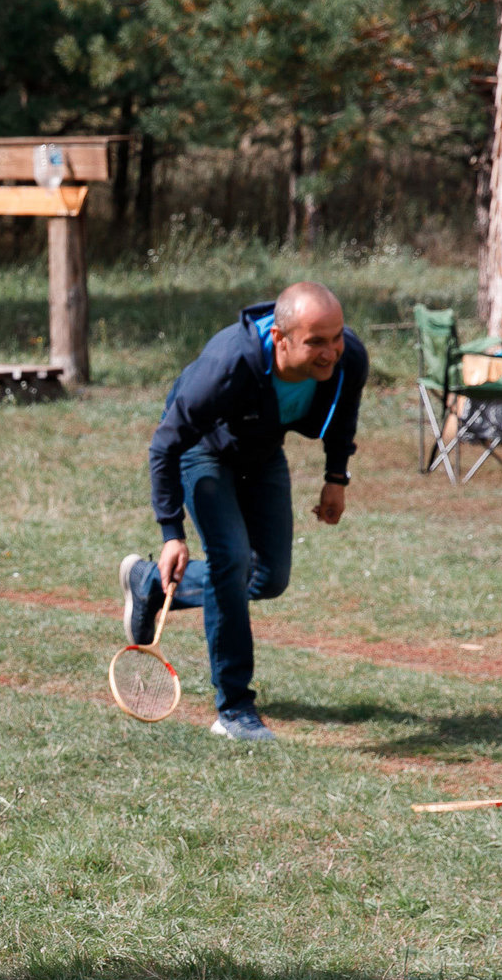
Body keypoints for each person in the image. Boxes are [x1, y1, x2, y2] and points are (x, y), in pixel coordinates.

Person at [119, 282, 368, 743]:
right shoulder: (226, 365)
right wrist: (171, 532)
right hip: (202, 450)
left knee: (269, 578)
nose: (331, 352)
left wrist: (337, 477)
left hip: (262, 451)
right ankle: (234, 709)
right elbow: (166, 444)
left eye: (335, 337)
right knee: (230, 561)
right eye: (316, 341)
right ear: (281, 338)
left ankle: (149, 583)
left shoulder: (347, 355)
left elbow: (343, 410)